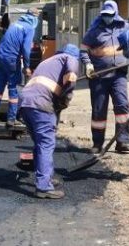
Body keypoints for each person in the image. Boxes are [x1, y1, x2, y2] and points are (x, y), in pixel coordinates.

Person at [20, 44, 80, 199]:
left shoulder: (47, 61)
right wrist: (65, 100)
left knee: (40, 143)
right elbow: (71, 78)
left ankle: (45, 177)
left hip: (25, 103)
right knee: (46, 143)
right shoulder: (70, 58)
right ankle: (44, 187)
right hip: (41, 104)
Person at [80, 0, 129, 154]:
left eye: (109, 15)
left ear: (115, 14)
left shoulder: (125, 28)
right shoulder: (94, 31)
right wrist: (88, 65)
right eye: (104, 15)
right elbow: (83, 50)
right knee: (99, 110)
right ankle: (97, 144)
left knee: (122, 106)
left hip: (119, 75)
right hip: (99, 77)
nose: (107, 18)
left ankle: (121, 141)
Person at [0, 8, 39, 126]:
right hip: (11, 60)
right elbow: (26, 49)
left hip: (0, 57)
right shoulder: (29, 28)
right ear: (34, 18)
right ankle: (11, 118)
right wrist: (27, 67)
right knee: (13, 88)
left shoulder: (15, 24)